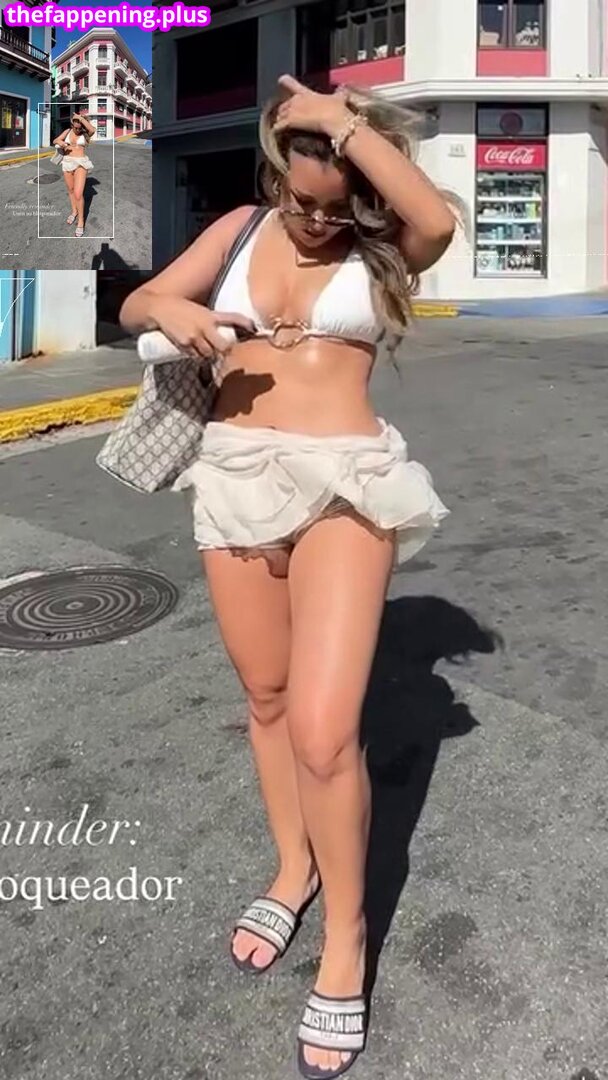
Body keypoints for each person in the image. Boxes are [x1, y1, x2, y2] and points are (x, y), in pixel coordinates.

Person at [119, 74, 458, 1079]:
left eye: (332, 206)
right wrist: (171, 308)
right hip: (232, 478)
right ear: (273, 178)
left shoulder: (383, 246)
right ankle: (292, 868)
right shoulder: (238, 229)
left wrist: (338, 120)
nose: (312, 222)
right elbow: (137, 300)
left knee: (322, 730)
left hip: (346, 485)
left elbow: (436, 219)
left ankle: (346, 940)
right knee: (266, 701)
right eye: (296, 198)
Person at [52, 112, 96, 237]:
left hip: (81, 163)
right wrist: (60, 142)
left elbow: (92, 130)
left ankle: (81, 221)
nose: (77, 128)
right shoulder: (67, 131)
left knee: (78, 193)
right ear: (72, 123)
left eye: (79, 124)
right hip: (67, 162)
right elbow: (55, 140)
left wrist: (80, 118)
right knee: (71, 190)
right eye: (75, 123)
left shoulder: (85, 133)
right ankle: (74, 212)